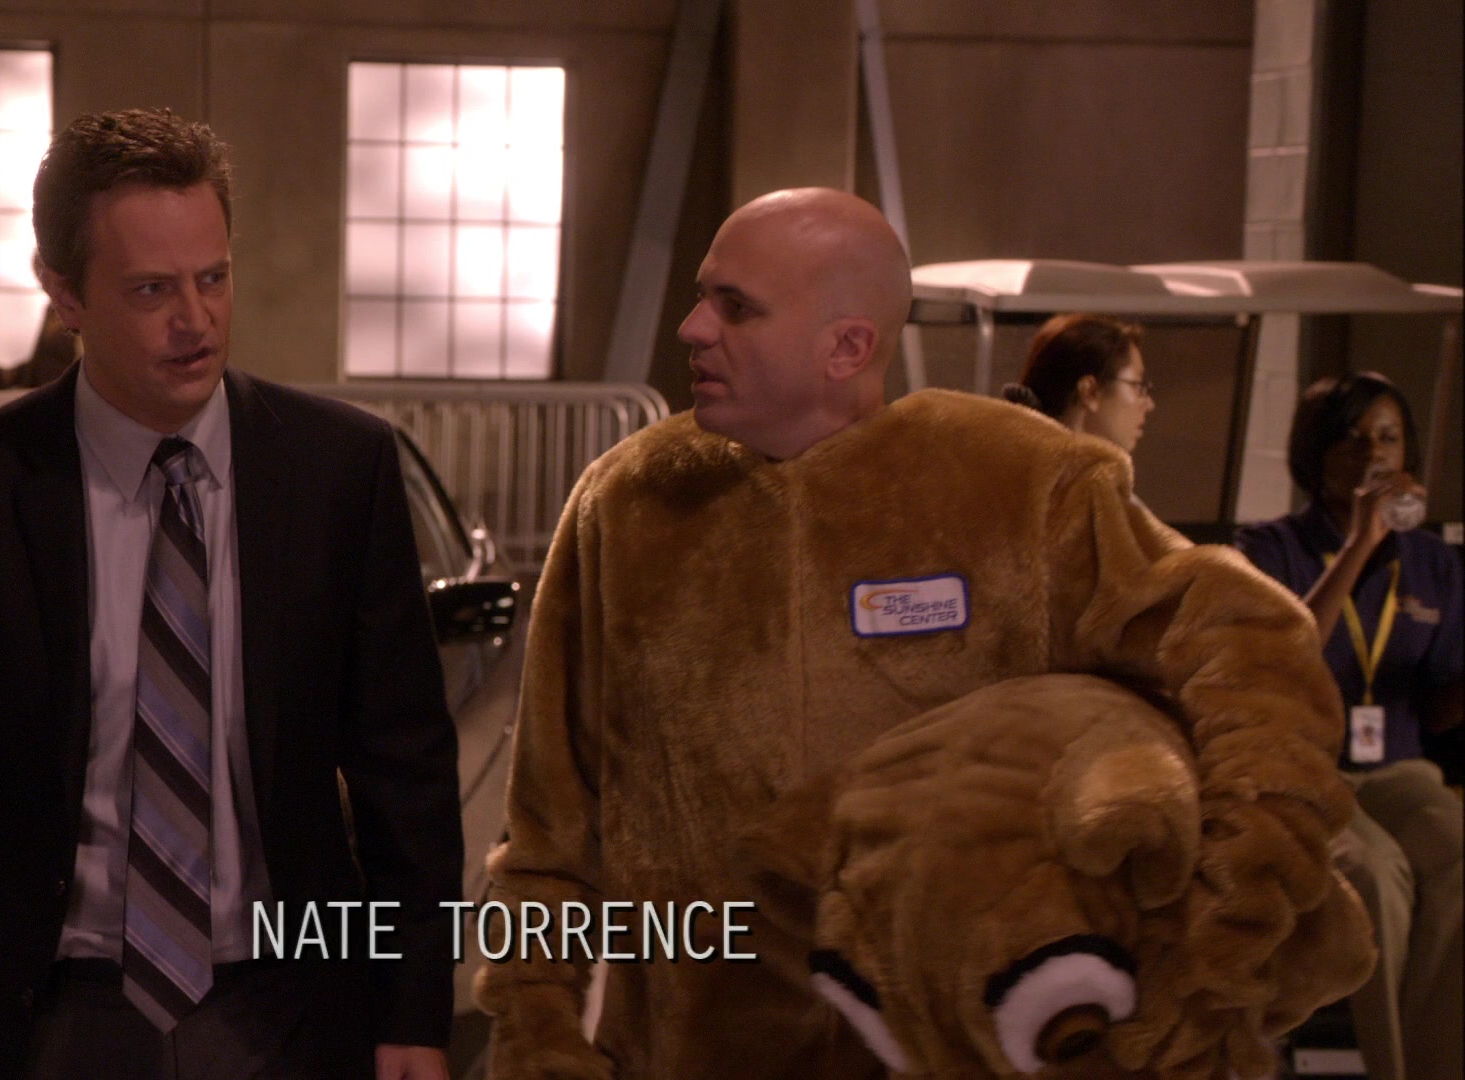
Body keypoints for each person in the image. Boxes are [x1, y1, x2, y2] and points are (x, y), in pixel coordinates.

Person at [474, 189, 1356, 1079]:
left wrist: (1235, 908)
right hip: (692, 1054)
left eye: (735, 307)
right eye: (704, 297)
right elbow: (549, 826)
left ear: (848, 346)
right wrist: (533, 1027)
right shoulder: (628, 504)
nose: (693, 328)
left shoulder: (1019, 484)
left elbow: (1249, 643)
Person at [0, 110, 462, 1080]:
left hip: (285, 1007)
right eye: (153, 289)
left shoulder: (339, 471)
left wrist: (414, 1012)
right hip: (47, 1015)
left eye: (214, 278)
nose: (195, 320)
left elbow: (403, 770)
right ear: (64, 295)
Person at [1235, 371, 1462, 1080]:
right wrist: (1362, 543)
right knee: (1376, 872)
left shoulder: (1435, 563)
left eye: (1389, 438)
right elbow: (1286, 657)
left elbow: (1440, 708)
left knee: (1458, 853)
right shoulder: (1268, 548)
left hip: (1401, 771)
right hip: (1309, 770)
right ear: (1315, 453)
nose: (1374, 453)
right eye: (1353, 438)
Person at [1001, 312, 1155, 454]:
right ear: (1090, 392)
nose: (1149, 405)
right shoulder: (1042, 470)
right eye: (1139, 386)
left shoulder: (1009, 456)